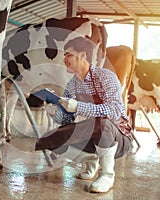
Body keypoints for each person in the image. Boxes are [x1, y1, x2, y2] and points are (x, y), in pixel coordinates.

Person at [35, 37, 132, 193]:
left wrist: (78, 106)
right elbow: (67, 120)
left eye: (68, 55)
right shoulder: (71, 85)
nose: (64, 59)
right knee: (51, 139)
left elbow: (114, 110)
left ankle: (107, 175)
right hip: (92, 133)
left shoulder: (106, 77)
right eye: (64, 55)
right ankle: (93, 161)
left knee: (102, 124)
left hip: (118, 136)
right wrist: (55, 111)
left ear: (82, 55)